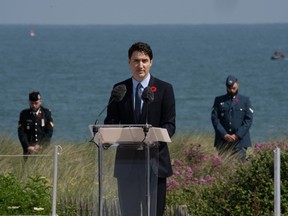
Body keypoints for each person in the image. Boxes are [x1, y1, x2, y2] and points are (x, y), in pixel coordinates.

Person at [104, 42, 176, 216]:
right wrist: (106, 136)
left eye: (144, 60)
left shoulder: (164, 89)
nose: (140, 65)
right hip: (127, 165)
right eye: (136, 60)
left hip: (155, 164)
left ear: (151, 62)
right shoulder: (120, 89)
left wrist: (153, 138)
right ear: (129, 62)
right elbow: (111, 121)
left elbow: (170, 125)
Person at [211, 75, 253, 162]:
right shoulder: (218, 100)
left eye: (233, 86)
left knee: (239, 167)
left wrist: (237, 135)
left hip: (240, 142)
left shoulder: (245, 100)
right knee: (224, 167)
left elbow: (248, 120)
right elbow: (215, 119)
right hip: (223, 141)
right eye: (229, 87)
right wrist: (224, 134)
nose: (231, 89)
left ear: (237, 84)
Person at [18, 91, 54, 160]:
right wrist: (27, 146)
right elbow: (21, 133)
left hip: (43, 149)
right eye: (32, 103)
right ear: (29, 102)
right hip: (29, 150)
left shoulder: (46, 113)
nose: (34, 105)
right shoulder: (24, 114)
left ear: (40, 101)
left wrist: (40, 144)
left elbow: (49, 132)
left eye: (36, 103)